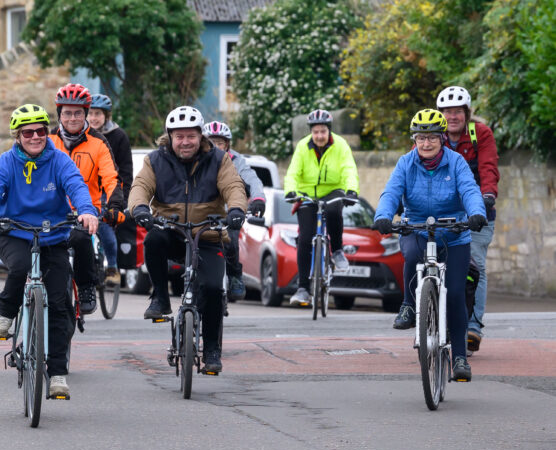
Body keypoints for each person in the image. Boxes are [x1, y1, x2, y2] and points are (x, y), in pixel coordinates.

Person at [0, 104, 99, 398]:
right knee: (19, 268)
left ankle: (57, 374)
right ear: (17, 135)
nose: (35, 136)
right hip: (14, 233)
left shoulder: (59, 160)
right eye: (28, 132)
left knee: (60, 305)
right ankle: (5, 315)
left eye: (41, 131)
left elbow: (77, 186)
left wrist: (86, 211)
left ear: (48, 132)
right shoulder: (6, 162)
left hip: (52, 235)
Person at [128, 106, 247, 372]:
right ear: (169, 136)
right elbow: (140, 187)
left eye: (190, 136)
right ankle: (160, 297)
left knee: (214, 289)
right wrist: (140, 209)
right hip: (172, 231)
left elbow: (234, 186)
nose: (185, 142)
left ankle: (213, 351)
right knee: (153, 240)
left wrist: (237, 210)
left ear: (200, 136)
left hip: (207, 234)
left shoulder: (218, 159)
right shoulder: (155, 160)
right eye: (179, 136)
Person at [372, 108, 487, 381]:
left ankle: (459, 357)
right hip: (417, 228)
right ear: (414, 140)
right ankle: (409, 305)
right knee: (411, 254)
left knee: (457, 292)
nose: (426, 143)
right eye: (420, 138)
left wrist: (476, 212)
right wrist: (383, 216)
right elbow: (391, 191)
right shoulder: (405, 163)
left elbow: (470, 190)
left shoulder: (457, 162)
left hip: (454, 232)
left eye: (432, 138)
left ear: (442, 138)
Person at [48, 83, 124, 313]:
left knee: (81, 239)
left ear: (86, 114)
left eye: (78, 112)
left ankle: (86, 286)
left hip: (87, 210)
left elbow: (111, 177)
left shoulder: (99, 143)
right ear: (59, 114)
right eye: (67, 113)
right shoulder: (47, 141)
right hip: (50, 211)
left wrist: (116, 205)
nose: (73, 118)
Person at [436, 86, 500, 354]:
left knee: (476, 266)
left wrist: (487, 195)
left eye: (457, 111)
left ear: (466, 113)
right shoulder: (432, 136)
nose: (452, 116)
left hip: (476, 212)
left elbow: (488, 167)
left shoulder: (479, 133)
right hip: (442, 212)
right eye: (447, 112)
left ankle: (473, 327)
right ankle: (435, 319)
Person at [283, 109, 360, 306]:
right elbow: (293, 172)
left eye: (322, 132)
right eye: (315, 132)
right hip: (307, 194)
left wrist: (351, 190)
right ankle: (302, 289)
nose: (319, 136)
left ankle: (337, 251)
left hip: (333, 190)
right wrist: (291, 191)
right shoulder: (302, 146)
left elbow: (349, 169)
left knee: (334, 211)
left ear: (329, 131)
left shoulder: (340, 145)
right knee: (305, 238)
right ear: (311, 132)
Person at [203, 120, 266, 302]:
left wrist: (258, 199)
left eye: (220, 142)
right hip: (203, 211)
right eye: (211, 142)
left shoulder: (237, 161)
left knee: (230, 242)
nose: (216, 146)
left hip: (231, 211)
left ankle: (234, 275)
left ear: (228, 144)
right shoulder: (197, 158)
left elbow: (253, 181)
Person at [87, 93, 133, 286]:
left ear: (107, 115)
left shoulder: (118, 136)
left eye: (98, 113)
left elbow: (126, 171)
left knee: (104, 221)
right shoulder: (82, 135)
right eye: (90, 113)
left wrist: (121, 199)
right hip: (85, 188)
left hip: (108, 189)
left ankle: (112, 267)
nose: (93, 118)